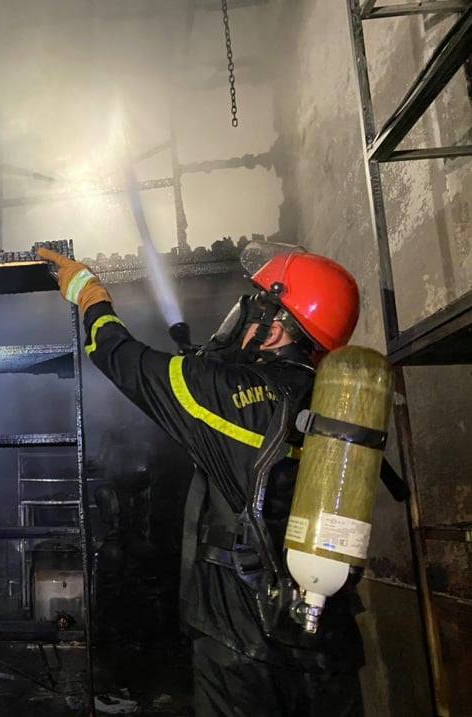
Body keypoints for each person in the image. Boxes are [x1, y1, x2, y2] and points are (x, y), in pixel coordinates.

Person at [38, 246, 365, 716]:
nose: (239, 317)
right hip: (330, 640)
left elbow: (118, 355)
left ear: (274, 330)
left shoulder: (221, 390)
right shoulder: (339, 403)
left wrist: (90, 293)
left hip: (244, 638)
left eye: (252, 307)